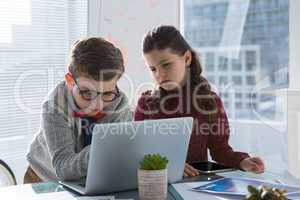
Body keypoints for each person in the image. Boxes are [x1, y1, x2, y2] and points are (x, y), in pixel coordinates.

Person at [134, 25, 264, 177]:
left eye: (166, 65)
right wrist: (166, 165)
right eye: (153, 69)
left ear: (187, 58)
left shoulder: (210, 102)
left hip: (195, 187)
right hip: (156, 185)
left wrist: (243, 162)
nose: (160, 75)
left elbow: (221, 151)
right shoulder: (146, 103)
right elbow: (136, 154)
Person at [24, 37, 132, 183]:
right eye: (87, 93)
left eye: (107, 93)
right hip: (44, 176)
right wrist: (102, 150)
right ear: (69, 81)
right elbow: (63, 167)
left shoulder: (119, 104)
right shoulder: (54, 106)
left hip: (87, 179)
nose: (97, 105)